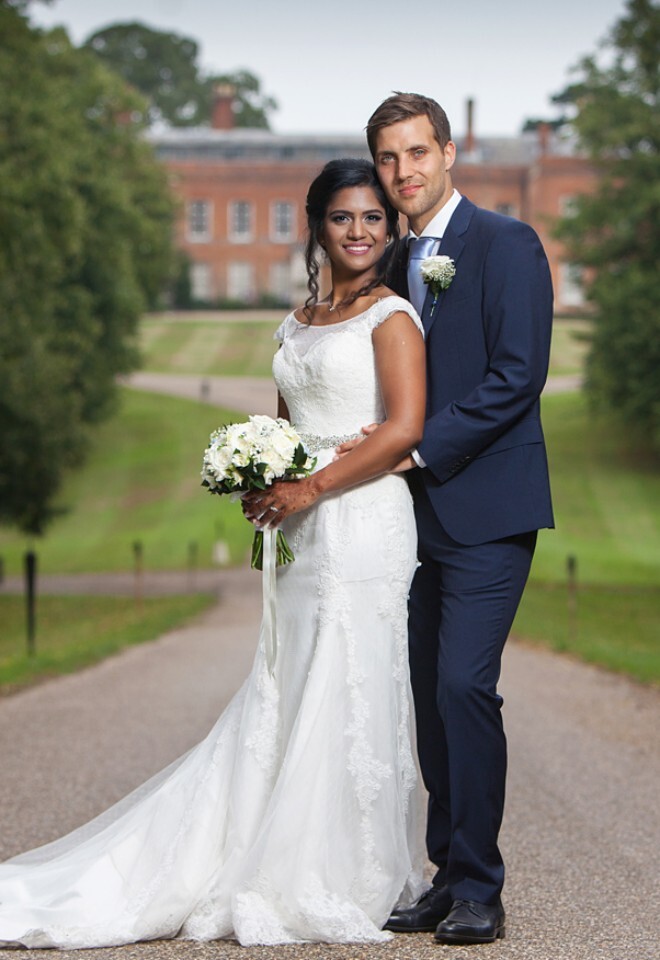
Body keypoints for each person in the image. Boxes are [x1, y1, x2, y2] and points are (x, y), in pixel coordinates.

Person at [0, 158, 428, 949]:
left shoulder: (393, 316)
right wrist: (266, 485)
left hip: (365, 520)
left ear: (391, 228)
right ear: (318, 226)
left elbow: (404, 429)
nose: (360, 231)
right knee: (286, 677)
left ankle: (340, 866)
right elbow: (287, 428)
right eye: (343, 218)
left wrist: (311, 488)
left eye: (374, 217)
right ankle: (256, 845)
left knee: (352, 678)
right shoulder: (296, 321)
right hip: (303, 520)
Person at [340, 93, 554, 945]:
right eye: (388, 159)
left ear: (450, 152)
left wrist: (418, 450)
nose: (403, 173)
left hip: (489, 508)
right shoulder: (389, 264)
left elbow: (516, 375)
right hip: (402, 518)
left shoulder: (506, 244)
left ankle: (480, 885)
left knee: (466, 685)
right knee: (426, 696)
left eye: (416, 154)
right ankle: (443, 873)